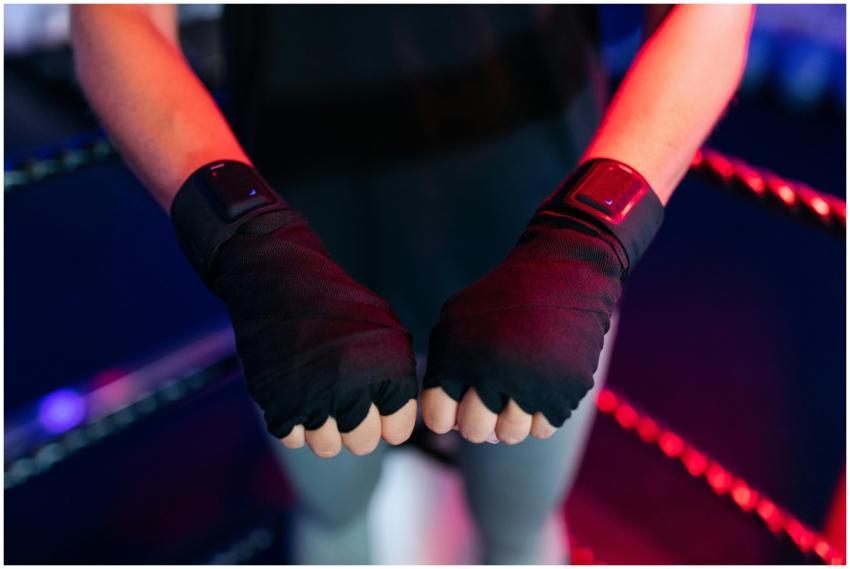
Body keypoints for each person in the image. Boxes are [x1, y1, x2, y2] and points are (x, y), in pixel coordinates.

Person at [70, 4, 754, 563]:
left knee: (517, 524)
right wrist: (248, 242)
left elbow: (709, 12)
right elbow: (114, 14)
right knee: (333, 509)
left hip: (543, 254)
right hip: (296, 260)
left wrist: (591, 236)